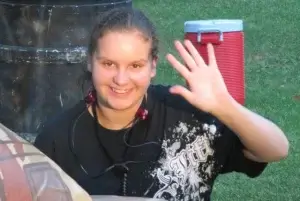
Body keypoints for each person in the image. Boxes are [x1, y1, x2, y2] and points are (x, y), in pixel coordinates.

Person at [34, 7, 289, 201]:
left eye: (135, 65)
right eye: (108, 64)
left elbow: (276, 150)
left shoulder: (187, 116)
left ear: (153, 65)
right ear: (90, 61)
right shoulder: (56, 139)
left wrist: (224, 106)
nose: (121, 80)